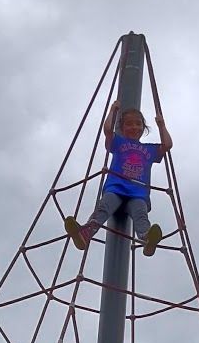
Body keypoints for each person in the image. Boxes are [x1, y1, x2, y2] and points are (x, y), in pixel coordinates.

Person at [65, 101, 172, 256]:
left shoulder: (149, 149)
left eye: (138, 124)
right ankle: (85, 234)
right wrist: (112, 111)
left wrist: (162, 125)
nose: (134, 127)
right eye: (129, 124)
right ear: (122, 128)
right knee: (103, 207)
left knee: (140, 214)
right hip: (116, 188)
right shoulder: (119, 142)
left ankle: (147, 239)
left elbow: (167, 145)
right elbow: (107, 130)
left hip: (137, 193)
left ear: (143, 127)